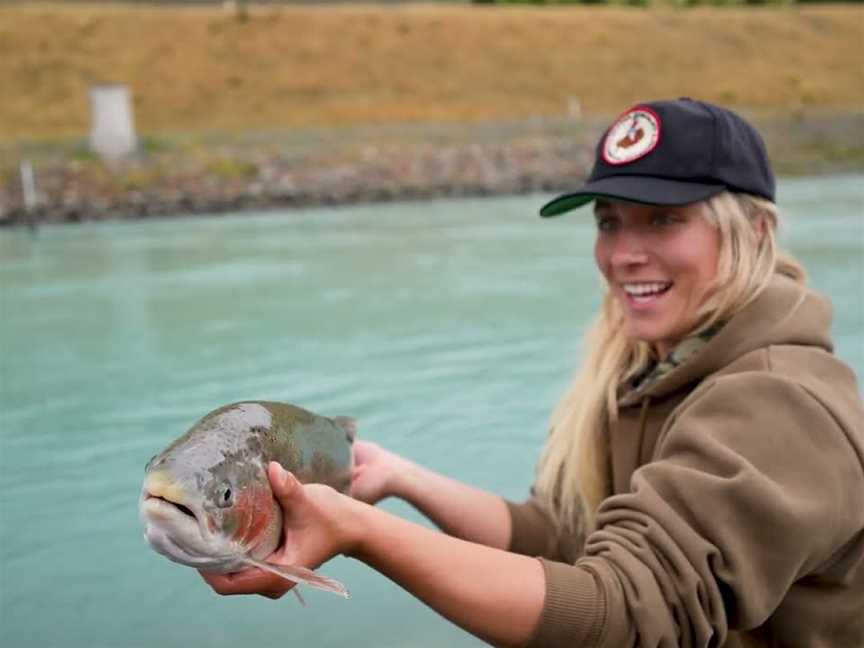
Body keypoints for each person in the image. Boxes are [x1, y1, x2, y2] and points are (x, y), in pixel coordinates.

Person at [199, 98, 864, 647]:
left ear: (751, 230)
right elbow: (565, 538)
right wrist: (402, 479)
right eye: (610, 222)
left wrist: (361, 532)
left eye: (664, 220)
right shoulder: (648, 372)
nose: (625, 254)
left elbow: (628, 615)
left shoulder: (781, 401)